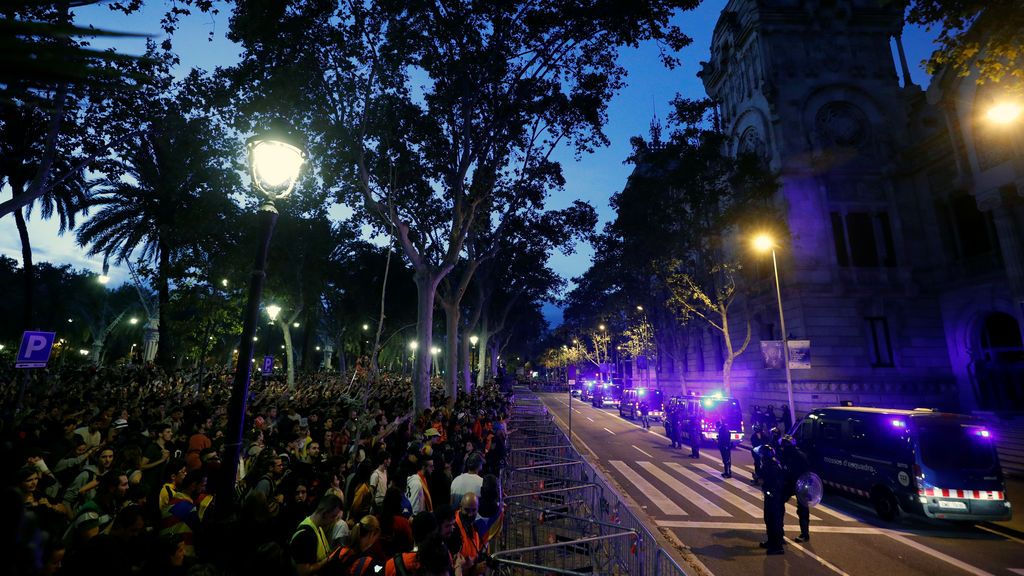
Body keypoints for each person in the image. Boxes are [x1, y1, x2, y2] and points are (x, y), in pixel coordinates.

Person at [290, 493, 344, 576]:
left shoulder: (318, 527)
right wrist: (327, 560)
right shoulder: (305, 536)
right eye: (333, 516)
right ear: (325, 514)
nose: (334, 520)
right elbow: (303, 571)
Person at [780, 435, 811, 543]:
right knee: (779, 504)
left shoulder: (800, 456)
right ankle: (779, 532)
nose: (784, 446)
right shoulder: (783, 454)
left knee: (802, 510)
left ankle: (805, 533)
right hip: (789, 483)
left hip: (799, 484)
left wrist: (807, 488)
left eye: (786, 444)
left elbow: (808, 473)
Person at [758, 443, 785, 555]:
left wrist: (762, 481)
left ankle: (777, 546)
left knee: (774, 521)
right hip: (771, 496)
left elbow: (773, 482)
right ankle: (771, 541)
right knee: (768, 519)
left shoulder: (772, 466)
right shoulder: (769, 464)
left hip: (774, 497)